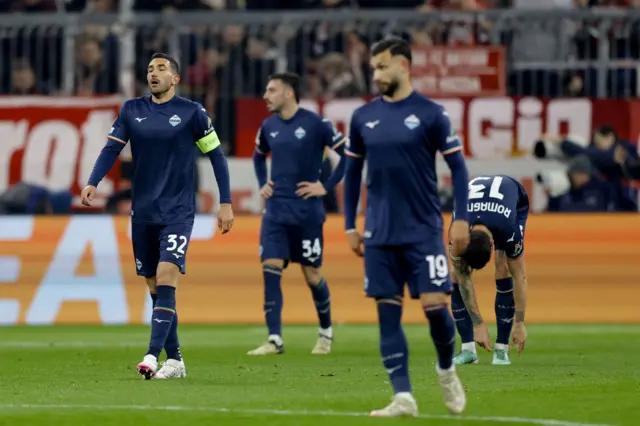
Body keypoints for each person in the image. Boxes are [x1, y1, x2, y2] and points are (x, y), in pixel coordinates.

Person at [81, 53, 234, 379]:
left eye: (162, 69)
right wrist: (94, 180)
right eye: (150, 68)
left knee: (166, 275)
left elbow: (217, 156)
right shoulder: (131, 110)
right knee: (154, 285)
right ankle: (175, 360)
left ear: (175, 79)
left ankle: (152, 356)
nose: (154, 73)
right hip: (144, 213)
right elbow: (111, 148)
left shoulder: (192, 112)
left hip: (178, 211)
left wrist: (226, 202)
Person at [343, 37, 470, 417]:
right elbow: (351, 175)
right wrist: (350, 224)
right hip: (379, 233)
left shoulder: (431, 114)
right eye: (373, 68)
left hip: (423, 230)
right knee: (387, 312)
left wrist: (460, 218)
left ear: (403, 65)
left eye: (381, 67)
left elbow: (459, 168)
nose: (376, 74)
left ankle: (446, 368)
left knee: (435, 309)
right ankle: (403, 396)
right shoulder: (363, 116)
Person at [248, 72, 346, 356]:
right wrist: (261, 183)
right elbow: (258, 156)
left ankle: (326, 332)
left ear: (288, 93)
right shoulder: (268, 126)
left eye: (271, 90)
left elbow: (349, 156)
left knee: (312, 275)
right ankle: (274, 339)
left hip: (307, 214)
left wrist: (324, 187)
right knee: (271, 268)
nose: (266, 95)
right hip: (276, 212)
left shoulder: (316, 124)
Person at [449, 174, 529, 366]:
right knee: (455, 275)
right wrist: (479, 324)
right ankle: (468, 350)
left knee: (503, 268)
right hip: (480, 204)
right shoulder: (457, 233)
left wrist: (520, 322)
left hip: (513, 200)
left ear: (493, 243)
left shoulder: (507, 229)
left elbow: (520, 276)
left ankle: (501, 350)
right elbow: (463, 277)